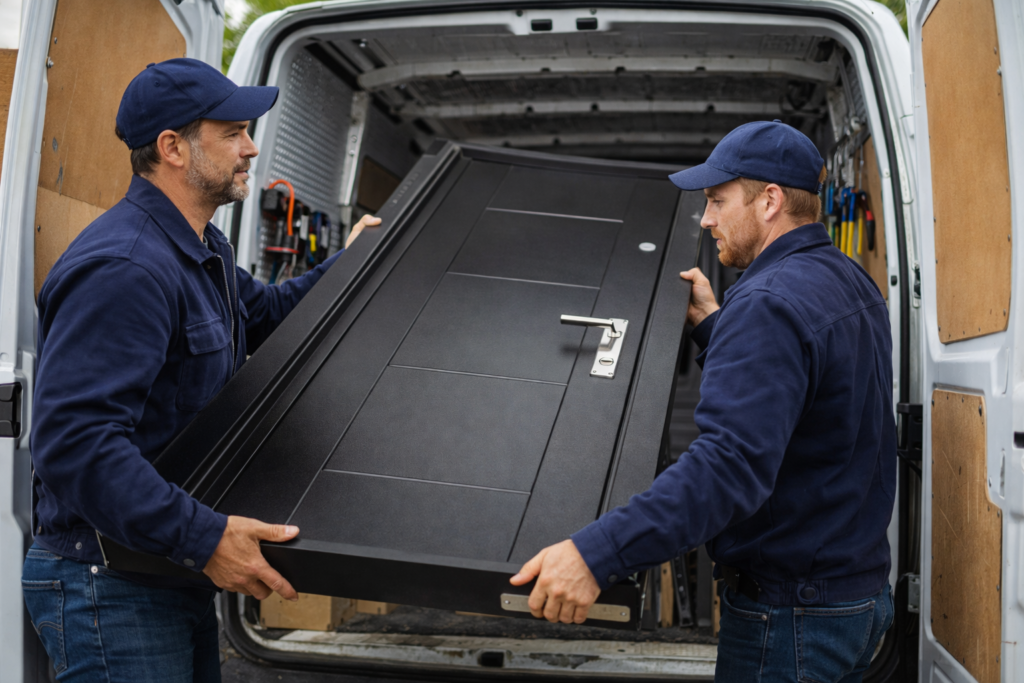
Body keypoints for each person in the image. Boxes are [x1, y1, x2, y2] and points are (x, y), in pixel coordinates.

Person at [22, 58, 378, 682]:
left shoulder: (199, 247)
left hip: (166, 570)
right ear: (173, 149)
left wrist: (352, 265)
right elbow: (74, 445)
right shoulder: (126, 269)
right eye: (235, 131)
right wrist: (206, 537)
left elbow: (265, 315)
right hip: (110, 587)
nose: (251, 147)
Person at [511, 120, 896, 682]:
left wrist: (597, 554)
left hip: (789, 622)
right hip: (856, 605)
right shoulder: (852, 282)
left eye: (717, 200)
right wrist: (717, 327)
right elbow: (811, 405)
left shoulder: (766, 304)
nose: (707, 217)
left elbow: (728, 468)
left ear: (768, 201)